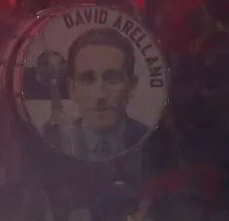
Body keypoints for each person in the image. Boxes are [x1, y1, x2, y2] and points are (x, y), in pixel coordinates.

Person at [42, 27, 150, 160]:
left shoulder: (152, 141)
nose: (100, 95)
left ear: (132, 86)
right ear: (72, 89)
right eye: (88, 79)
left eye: (112, 79)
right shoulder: (53, 140)